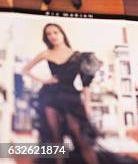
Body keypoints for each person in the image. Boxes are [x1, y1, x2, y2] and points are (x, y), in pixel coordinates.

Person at [21, 23, 100, 164]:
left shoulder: (78, 56)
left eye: (55, 32)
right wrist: (44, 81)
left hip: (71, 97)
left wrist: (87, 105)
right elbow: (25, 70)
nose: (52, 36)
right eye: (48, 34)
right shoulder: (46, 53)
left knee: (82, 139)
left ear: (62, 33)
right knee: (56, 139)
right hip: (51, 96)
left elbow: (86, 83)